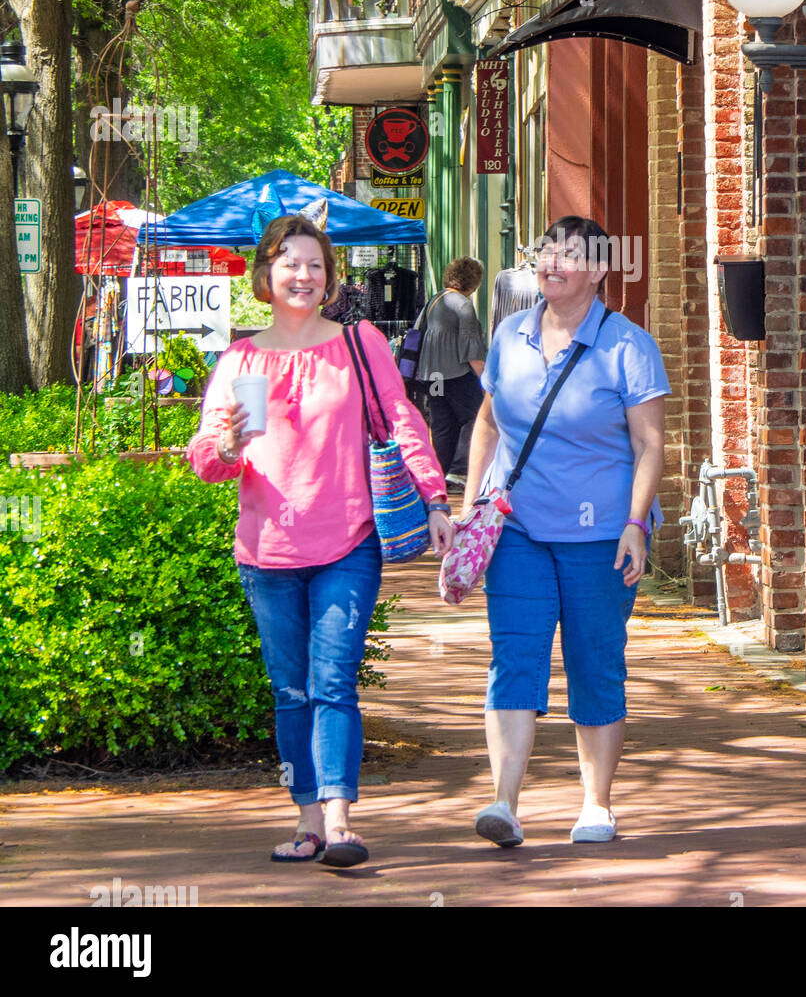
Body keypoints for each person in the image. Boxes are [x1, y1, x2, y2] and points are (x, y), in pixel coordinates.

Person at [186, 214, 454, 868]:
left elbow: (402, 418)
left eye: (314, 264)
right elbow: (206, 458)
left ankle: (338, 824)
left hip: (348, 541)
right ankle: (304, 819)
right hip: (266, 551)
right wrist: (223, 445)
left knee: (333, 682)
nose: (302, 275)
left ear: (329, 276)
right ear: (266, 276)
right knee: (291, 690)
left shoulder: (360, 343)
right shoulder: (241, 359)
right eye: (289, 263)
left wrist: (435, 496)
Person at [462, 216, 669, 848]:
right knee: (513, 661)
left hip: (600, 537)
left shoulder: (627, 345)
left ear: (600, 271)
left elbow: (649, 444)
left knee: (594, 663)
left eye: (570, 253)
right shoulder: (509, 335)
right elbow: (489, 426)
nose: (552, 261)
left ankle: (597, 805)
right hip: (517, 530)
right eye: (547, 249)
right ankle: (504, 803)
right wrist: (472, 506)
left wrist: (635, 524)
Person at [417, 256, 488, 476]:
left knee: (442, 422)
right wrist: (485, 380)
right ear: (473, 281)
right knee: (475, 416)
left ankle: (440, 470)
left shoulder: (435, 299)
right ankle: (459, 470)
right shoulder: (463, 304)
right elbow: (472, 350)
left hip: (433, 375)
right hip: (455, 374)